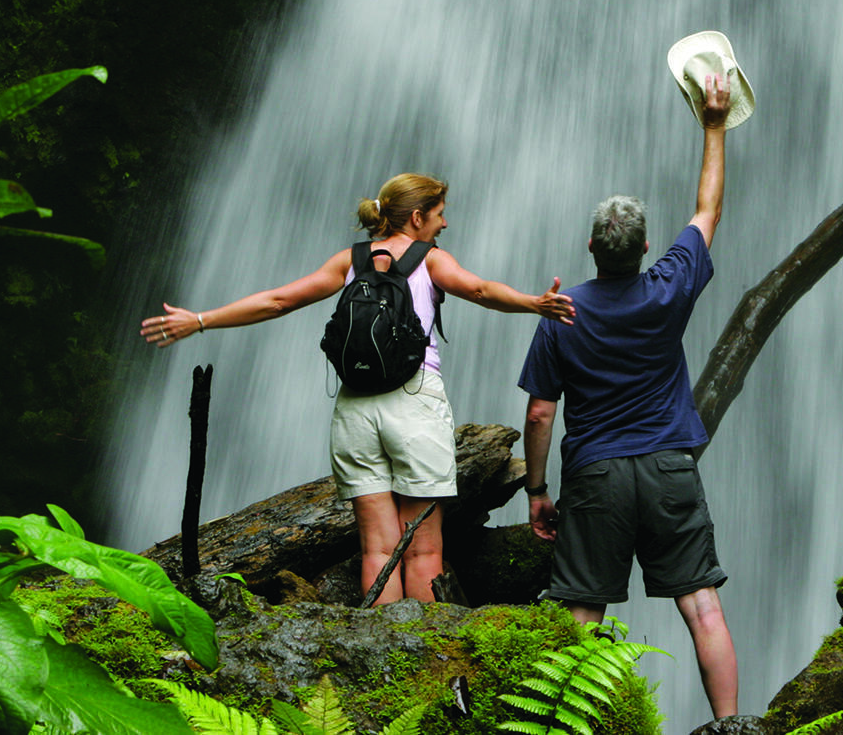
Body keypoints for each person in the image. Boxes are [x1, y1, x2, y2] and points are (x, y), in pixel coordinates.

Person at [141, 173, 574, 604]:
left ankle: (381, 655)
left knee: (378, 550)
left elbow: (278, 300)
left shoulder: (350, 260)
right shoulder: (430, 260)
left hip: (355, 408)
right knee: (423, 549)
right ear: (418, 216)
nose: (444, 225)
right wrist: (532, 303)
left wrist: (199, 320)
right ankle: (424, 663)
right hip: (414, 403)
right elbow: (479, 290)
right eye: (440, 215)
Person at [516, 74, 738, 721]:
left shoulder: (563, 311)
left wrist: (536, 488)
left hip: (596, 476)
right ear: (645, 248)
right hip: (670, 466)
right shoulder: (669, 284)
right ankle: (733, 724)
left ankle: (567, 722)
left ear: (591, 248)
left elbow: (539, 411)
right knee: (701, 604)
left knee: (584, 610)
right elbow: (708, 210)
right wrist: (714, 122)